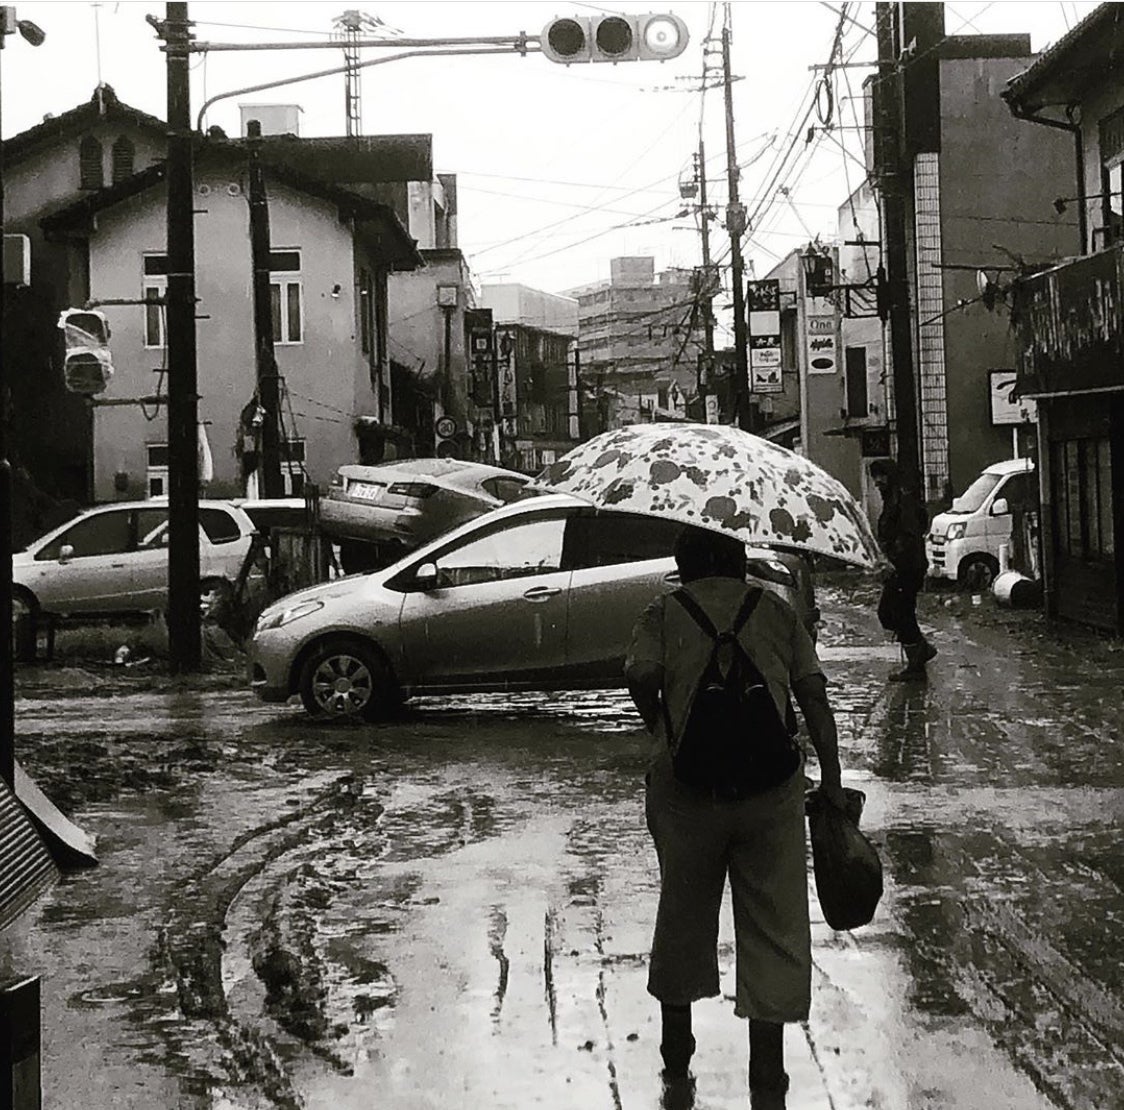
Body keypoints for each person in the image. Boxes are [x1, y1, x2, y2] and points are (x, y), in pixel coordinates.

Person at [624, 526, 846, 1109]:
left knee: (683, 913)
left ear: (683, 564)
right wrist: (832, 781)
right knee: (774, 922)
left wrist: (660, 723)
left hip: (686, 791)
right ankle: (767, 1072)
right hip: (770, 793)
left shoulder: (664, 612)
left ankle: (677, 1055)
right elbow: (813, 697)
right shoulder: (774, 610)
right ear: (740, 559)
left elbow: (640, 674)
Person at [870, 457, 936, 681]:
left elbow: (909, 536)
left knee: (898, 612)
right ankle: (919, 650)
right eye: (875, 477)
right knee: (893, 613)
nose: (877, 481)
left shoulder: (903, 500)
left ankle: (917, 662)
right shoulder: (891, 500)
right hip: (901, 566)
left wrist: (894, 561)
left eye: (881, 476)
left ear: (890, 476)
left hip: (907, 567)